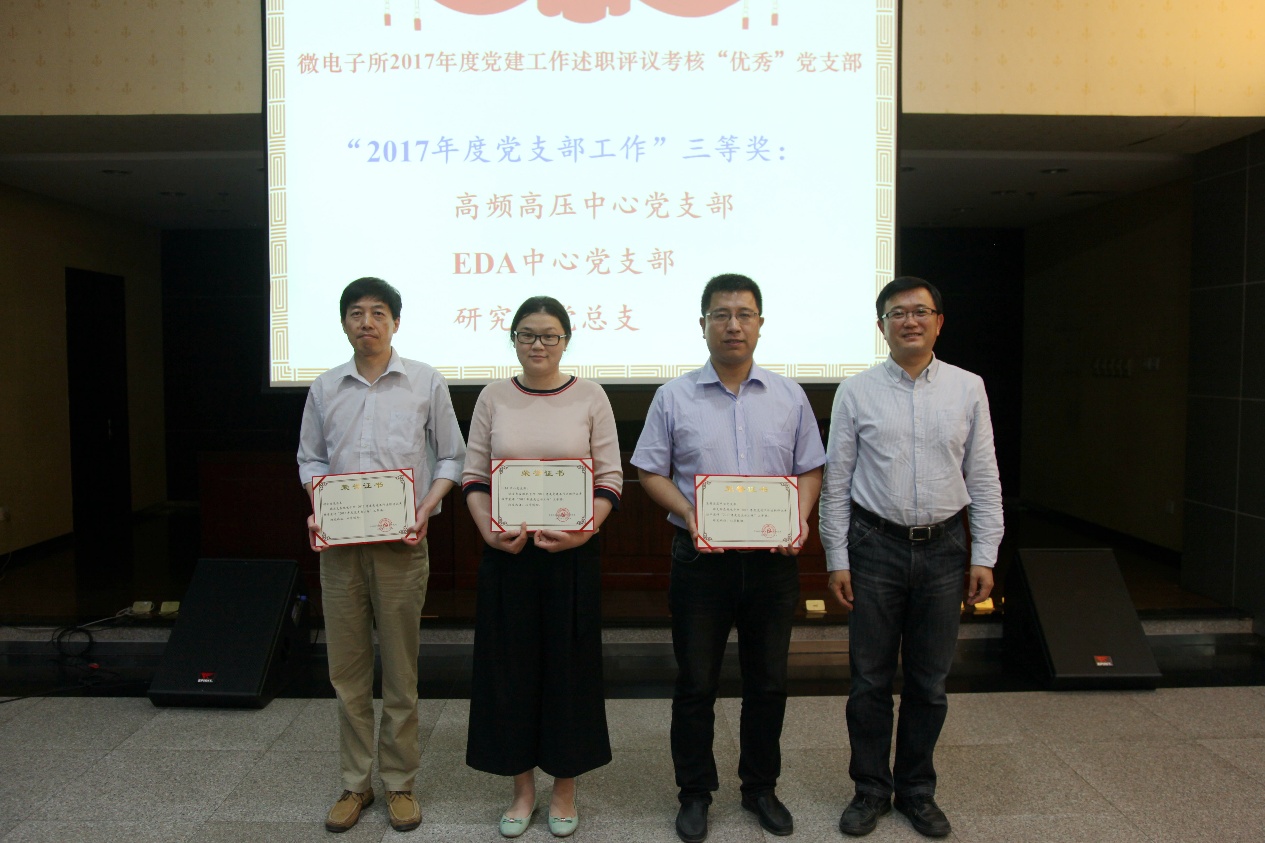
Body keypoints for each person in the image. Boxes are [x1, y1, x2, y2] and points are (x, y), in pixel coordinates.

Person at [631, 273, 825, 843]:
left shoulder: (789, 395)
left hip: (772, 562)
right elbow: (650, 471)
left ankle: (760, 788)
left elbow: (810, 468)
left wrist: (799, 517)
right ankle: (694, 792)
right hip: (701, 561)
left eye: (744, 314)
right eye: (721, 314)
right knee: (696, 684)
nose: (733, 325)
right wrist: (689, 513)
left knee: (768, 682)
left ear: (760, 324)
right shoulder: (673, 396)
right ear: (703, 325)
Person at [819, 276, 1003, 839]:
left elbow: (984, 475)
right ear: (882, 327)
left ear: (939, 322)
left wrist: (985, 553)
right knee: (869, 681)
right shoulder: (856, 391)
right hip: (874, 547)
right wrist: (836, 557)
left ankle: (917, 791)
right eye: (897, 313)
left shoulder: (968, 387)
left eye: (921, 311)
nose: (910, 321)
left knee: (929, 682)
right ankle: (871, 790)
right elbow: (837, 480)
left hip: (946, 549)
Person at [297, 276, 466, 833]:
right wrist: (320, 504)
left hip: (401, 544)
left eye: (377, 313)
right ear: (344, 323)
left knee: (400, 669)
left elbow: (452, 456)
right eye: (355, 313)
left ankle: (399, 783)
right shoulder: (324, 387)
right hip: (341, 548)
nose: (366, 322)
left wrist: (426, 507)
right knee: (346, 672)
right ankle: (355, 782)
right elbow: (310, 459)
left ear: (395, 322)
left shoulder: (425, 381)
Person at [462, 295, 623, 839]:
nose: (538, 344)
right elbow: (474, 475)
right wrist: (487, 530)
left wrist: (584, 530)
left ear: (565, 341)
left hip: (570, 557)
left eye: (549, 335)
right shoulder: (493, 396)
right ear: (513, 339)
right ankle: (522, 790)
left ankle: (565, 788)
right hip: (507, 555)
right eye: (527, 334)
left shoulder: (591, 396)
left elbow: (610, 477)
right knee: (509, 673)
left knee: (568, 671)